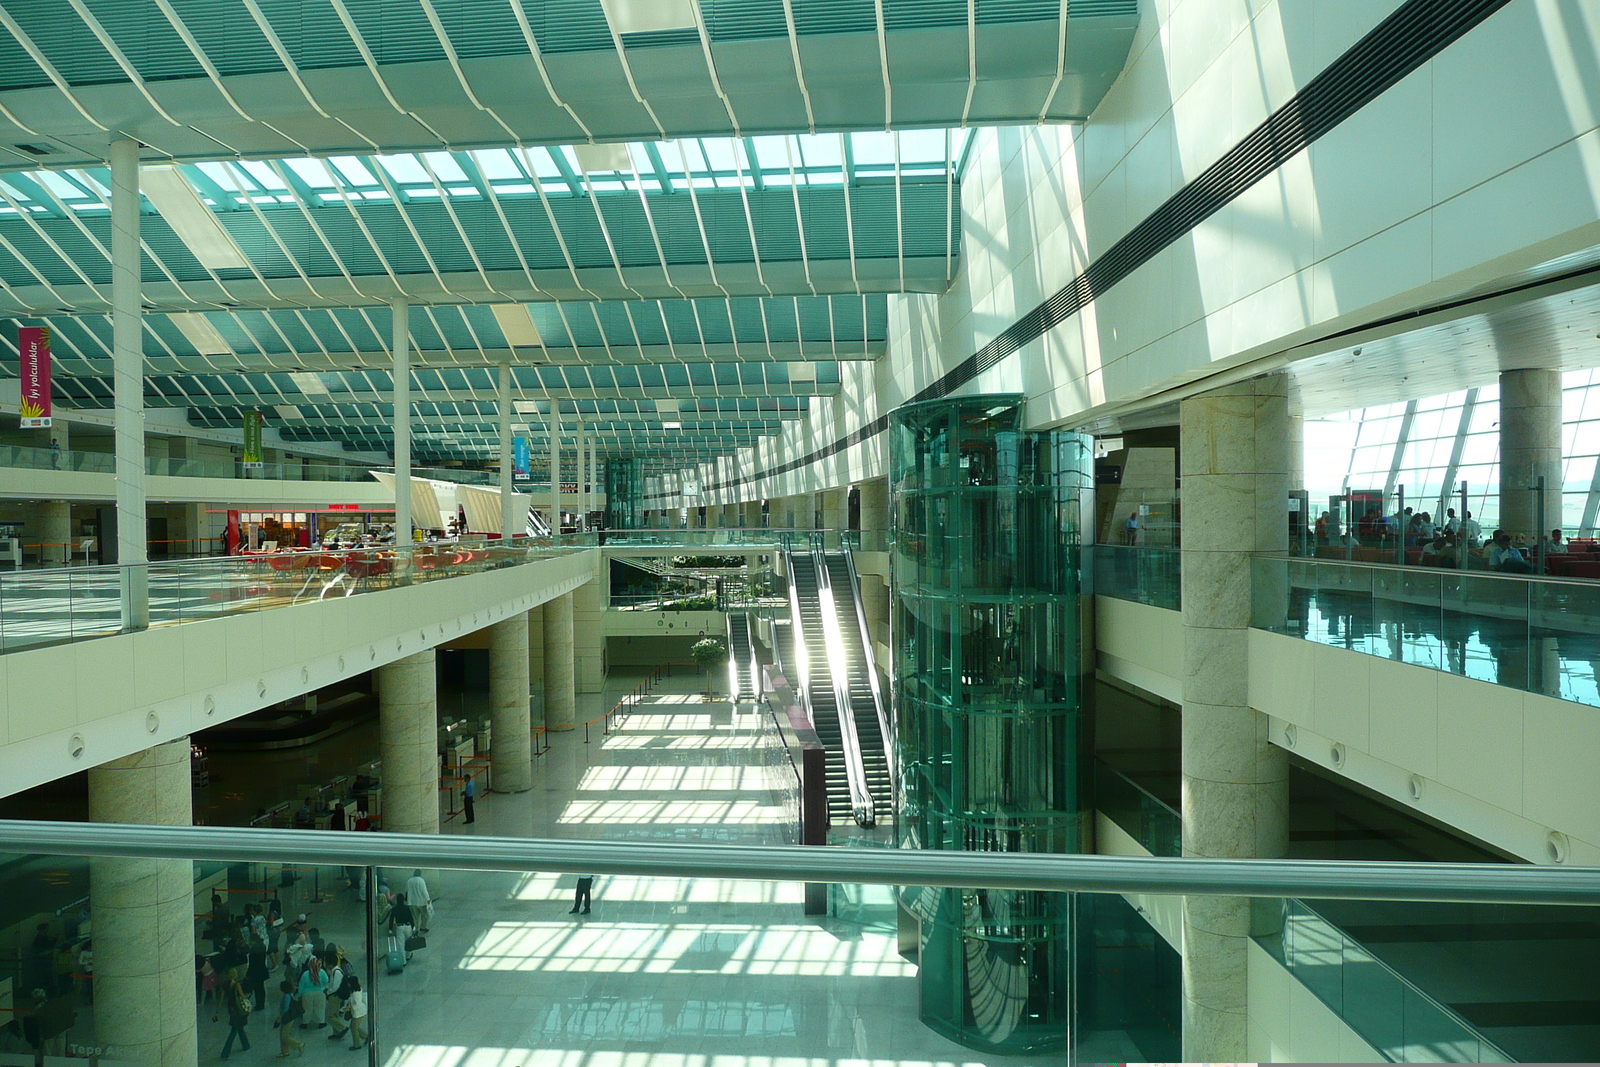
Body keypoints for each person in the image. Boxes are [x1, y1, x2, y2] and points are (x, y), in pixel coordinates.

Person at [219, 971, 253, 1060]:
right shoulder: (236, 984)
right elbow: (242, 996)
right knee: (234, 1030)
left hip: (231, 1008)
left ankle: (246, 1045)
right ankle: (225, 1053)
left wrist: (217, 1012)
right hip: (238, 1008)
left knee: (239, 1027)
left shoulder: (224, 984)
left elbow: (221, 999)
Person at [296, 955, 329, 1029]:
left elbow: (301, 986)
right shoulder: (322, 972)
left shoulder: (305, 974)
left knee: (307, 1009)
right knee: (320, 1008)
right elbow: (326, 981)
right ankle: (321, 1022)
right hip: (320, 993)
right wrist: (322, 986)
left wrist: (298, 995)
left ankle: (305, 1023)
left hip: (306, 994)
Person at [273, 979, 304, 1058]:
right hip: (290, 1017)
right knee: (283, 1034)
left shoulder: (286, 996)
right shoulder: (291, 994)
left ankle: (298, 1045)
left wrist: (280, 1017)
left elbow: (285, 1009)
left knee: (284, 1036)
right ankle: (284, 1051)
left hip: (287, 1017)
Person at [337, 978, 367, 1050]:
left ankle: (357, 1044)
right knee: (354, 1027)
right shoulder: (357, 990)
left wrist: (349, 1007)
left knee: (353, 1027)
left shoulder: (355, 993)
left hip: (358, 1012)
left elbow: (356, 1002)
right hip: (360, 1011)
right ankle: (366, 1036)